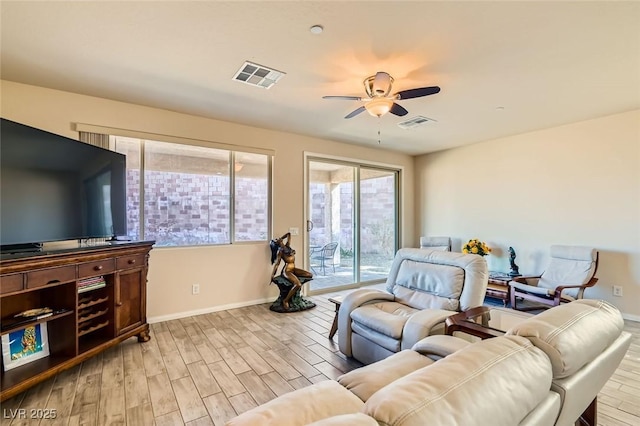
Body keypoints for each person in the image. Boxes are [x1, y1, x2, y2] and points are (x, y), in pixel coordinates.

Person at [270, 232, 312, 310]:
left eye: (278, 238)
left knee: (309, 275)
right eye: (276, 240)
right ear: (277, 243)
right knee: (298, 284)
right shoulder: (280, 252)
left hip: (294, 269)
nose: (278, 239)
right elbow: (277, 264)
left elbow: (289, 234)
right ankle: (285, 300)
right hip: (287, 271)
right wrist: (272, 274)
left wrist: (281, 238)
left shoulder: (288, 246)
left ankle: (294, 293)